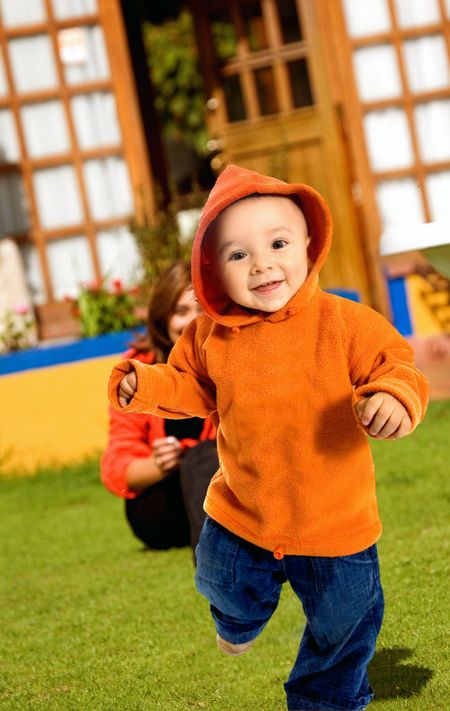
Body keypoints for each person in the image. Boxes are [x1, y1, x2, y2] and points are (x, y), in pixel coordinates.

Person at [108, 165, 429, 711]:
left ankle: (323, 701)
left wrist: (393, 399)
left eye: (278, 242)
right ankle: (237, 616)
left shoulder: (344, 323)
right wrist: (143, 383)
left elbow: (395, 365)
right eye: (238, 255)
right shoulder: (209, 335)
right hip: (243, 512)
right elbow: (187, 384)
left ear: (308, 241)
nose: (261, 265)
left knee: (347, 624)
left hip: (336, 520)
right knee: (221, 579)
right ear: (212, 269)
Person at [101, 261, 217, 552]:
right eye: (181, 311)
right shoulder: (137, 372)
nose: (194, 322)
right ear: (164, 317)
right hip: (168, 504)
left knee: (205, 457)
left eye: (203, 309)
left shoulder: (237, 357)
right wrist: (161, 463)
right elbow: (118, 466)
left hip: (233, 485)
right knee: (197, 460)